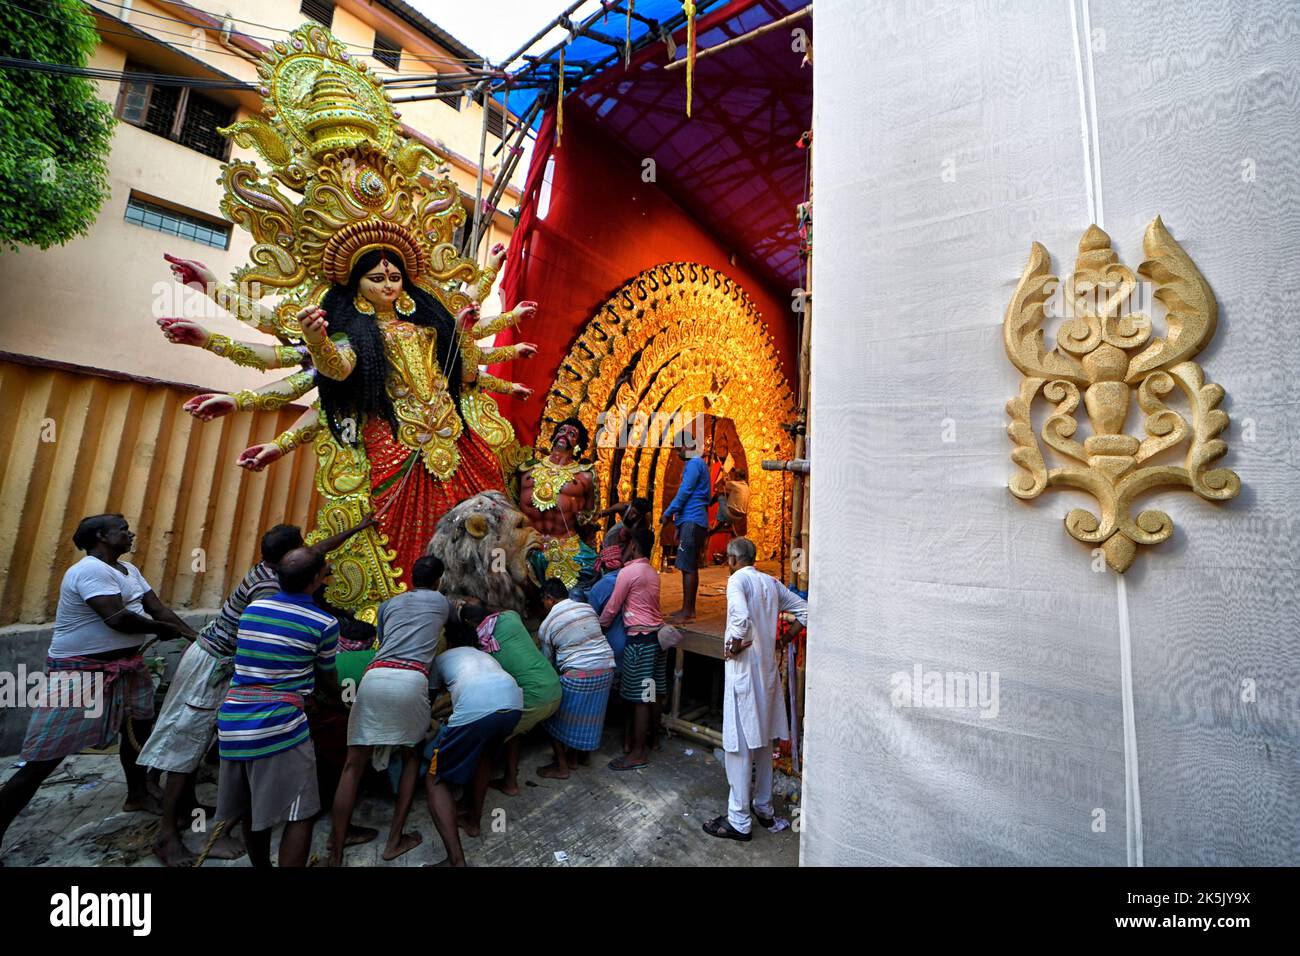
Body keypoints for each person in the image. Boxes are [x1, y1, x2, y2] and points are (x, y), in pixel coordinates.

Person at [137, 516, 372, 866]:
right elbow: (293, 658)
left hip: (240, 681)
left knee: (219, 753)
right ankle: (169, 835)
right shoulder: (267, 595)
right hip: (215, 665)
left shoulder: (281, 572)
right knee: (185, 747)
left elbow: (314, 555)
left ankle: (203, 817)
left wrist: (359, 526)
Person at [0, 514, 198, 862]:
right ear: (101, 536)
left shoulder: (128, 570)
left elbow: (158, 608)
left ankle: (137, 794)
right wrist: (160, 629)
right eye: (123, 529)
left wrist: (196, 638)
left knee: (137, 730)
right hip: (80, 673)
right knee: (43, 759)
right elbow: (116, 617)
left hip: (127, 667)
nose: (130, 533)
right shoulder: (89, 570)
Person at [214, 548, 340, 868]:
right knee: (302, 812)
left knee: (253, 810)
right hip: (280, 724)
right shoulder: (324, 622)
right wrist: (343, 702)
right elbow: (326, 675)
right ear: (316, 580)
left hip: (233, 720)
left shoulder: (254, 609)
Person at [327, 555, 450, 867]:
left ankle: (335, 852)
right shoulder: (440, 601)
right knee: (411, 757)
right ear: (438, 581)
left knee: (352, 766)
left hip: (375, 675)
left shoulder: (388, 605)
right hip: (410, 680)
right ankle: (394, 841)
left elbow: (383, 638)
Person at [703, 537, 808, 842]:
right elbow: (805, 612)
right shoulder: (770, 583)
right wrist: (783, 640)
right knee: (763, 742)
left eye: (727, 561)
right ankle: (763, 806)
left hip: (745, 674)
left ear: (733, 560)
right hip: (767, 674)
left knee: (738, 745)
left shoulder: (738, 581)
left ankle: (738, 818)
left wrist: (733, 645)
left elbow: (739, 618)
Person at [424, 607, 523, 866]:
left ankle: (456, 860)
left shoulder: (442, 659)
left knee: (435, 778)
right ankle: (473, 822)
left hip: (478, 711)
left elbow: (430, 701)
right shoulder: (486, 657)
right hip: (513, 705)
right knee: (483, 760)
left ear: (449, 641)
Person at [458, 603, 561, 796]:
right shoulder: (511, 617)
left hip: (536, 699)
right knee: (519, 728)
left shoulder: (481, 647)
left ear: (470, 624)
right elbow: (499, 608)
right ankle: (555, 767)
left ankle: (475, 802)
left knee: (487, 742)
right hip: (554, 686)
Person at [536, 579, 615, 779]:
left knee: (550, 716)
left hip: (580, 675)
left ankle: (562, 766)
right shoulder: (587, 608)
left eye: (543, 601)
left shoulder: (547, 625)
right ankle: (577, 757)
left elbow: (548, 665)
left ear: (549, 599)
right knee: (590, 714)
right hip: (607, 669)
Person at [600, 527, 665, 771]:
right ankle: (653, 741)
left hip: (639, 640)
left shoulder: (628, 573)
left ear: (634, 547)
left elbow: (612, 607)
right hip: (656, 637)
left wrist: (599, 625)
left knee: (638, 698)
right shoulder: (652, 571)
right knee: (652, 693)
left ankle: (638, 753)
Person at [517, 418, 598, 588]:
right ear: (553, 437)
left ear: (579, 445)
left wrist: (585, 522)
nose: (565, 435)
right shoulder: (526, 469)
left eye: (572, 434)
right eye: (562, 431)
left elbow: (590, 518)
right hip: (527, 546)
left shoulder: (585, 476)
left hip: (566, 547)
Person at [661, 437, 712, 623]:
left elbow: (684, 492)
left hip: (692, 520)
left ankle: (688, 611)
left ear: (688, 445)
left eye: (678, 448)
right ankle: (686, 608)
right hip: (690, 520)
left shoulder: (694, 463)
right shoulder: (697, 464)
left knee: (687, 566)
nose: (677, 452)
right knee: (687, 566)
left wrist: (668, 513)